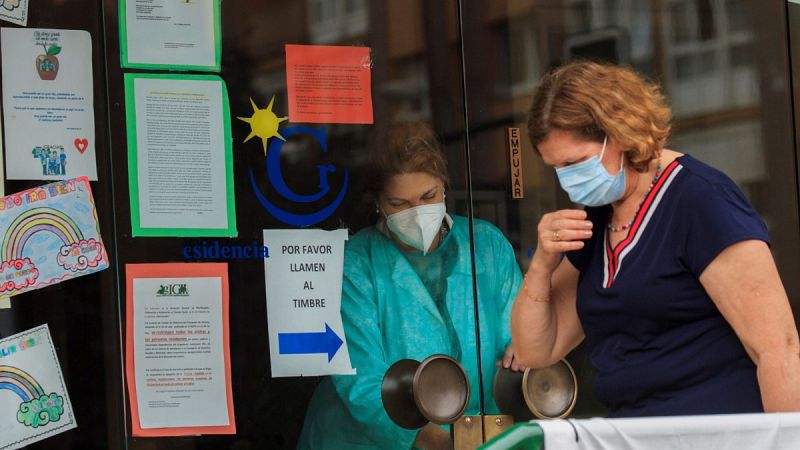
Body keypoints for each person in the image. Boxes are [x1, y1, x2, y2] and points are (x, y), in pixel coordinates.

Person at [512, 60, 800, 417]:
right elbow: (535, 351)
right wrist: (541, 264)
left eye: (576, 162)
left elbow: (778, 349)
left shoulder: (702, 200)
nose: (568, 179)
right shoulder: (596, 218)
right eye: (556, 168)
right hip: (633, 431)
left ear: (619, 133)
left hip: (717, 431)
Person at [298, 123, 523, 449]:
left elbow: (515, 339)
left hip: (476, 433)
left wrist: (523, 350)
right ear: (377, 202)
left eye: (428, 196)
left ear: (444, 185)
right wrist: (436, 441)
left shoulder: (486, 245)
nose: (417, 214)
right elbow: (363, 383)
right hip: (367, 439)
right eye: (398, 204)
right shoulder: (357, 264)